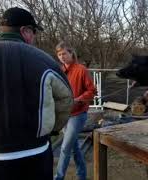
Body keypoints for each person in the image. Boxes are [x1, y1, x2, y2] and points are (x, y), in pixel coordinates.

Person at [0, 7, 73, 180]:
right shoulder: (44, 60)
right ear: (25, 31)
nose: (33, 38)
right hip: (35, 155)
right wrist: (52, 128)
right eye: (33, 32)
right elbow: (66, 99)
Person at [54, 41, 96, 180]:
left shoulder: (81, 69)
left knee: (65, 148)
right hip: (64, 115)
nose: (62, 56)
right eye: (59, 54)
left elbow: (92, 91)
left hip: (78, 115)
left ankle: (58, 177)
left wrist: (79, 98)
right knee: (74, 148)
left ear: (71, 53)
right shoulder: (59, 70)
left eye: (64, 53)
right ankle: (82, 175)